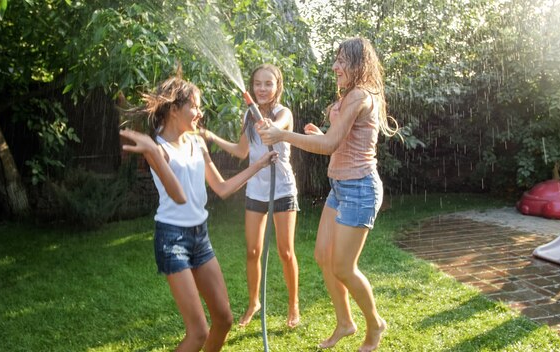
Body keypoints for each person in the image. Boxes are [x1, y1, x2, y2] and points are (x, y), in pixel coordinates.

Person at [119, 73, 277, 352]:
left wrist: (260, 164)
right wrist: (153, 154)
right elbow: (178, 196)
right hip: (172, 240)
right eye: (194, 106)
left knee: (224, 319)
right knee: (198, 333)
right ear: (174, 109)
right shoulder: (159, 149)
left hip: (200, 237)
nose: (199, 112)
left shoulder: (197, 143)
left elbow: (222, 187)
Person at [257, 37, 395, 352]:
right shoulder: (350, 94)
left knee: (344, 266)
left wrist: (282, 135)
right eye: (335, 60)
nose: (335, 66)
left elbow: (331, 145)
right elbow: (338, 140)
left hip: (360, 189)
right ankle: (346, 322)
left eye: (342, 61)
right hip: (339, 187)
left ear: (359, 64)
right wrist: (322, 135)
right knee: (323, 257)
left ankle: (375, 325)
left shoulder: (360, 94)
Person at [201, 64, 300, 328]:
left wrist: (269, 125)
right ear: (252, 87)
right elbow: (242, 151)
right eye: (258, 83)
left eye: (268, 84)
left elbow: (277, 128)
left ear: (278, 86)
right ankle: (254, 302)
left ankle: (293, 305)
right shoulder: (249, 115)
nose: (263, 89)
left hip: (281, 189)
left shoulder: (283, 113)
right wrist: (212, 137)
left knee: (285, 252)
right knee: (252, 250)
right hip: (256, 189)